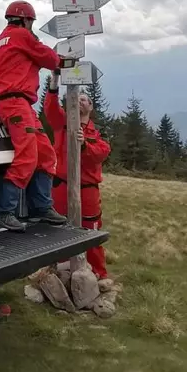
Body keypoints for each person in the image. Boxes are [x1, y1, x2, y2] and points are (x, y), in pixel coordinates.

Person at [0, 0, 68, 232]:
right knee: (27, 157)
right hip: (15, 103)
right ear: (25, 20)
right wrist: (63, 59)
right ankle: (3, 211)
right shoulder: (22, 36)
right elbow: (50, 59)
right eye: (31, 21)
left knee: (45, 154)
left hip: (18, 103)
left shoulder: (1, 40)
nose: (32, 25)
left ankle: (42, 207)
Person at [43, 69, 112, 279]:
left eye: (85, 99)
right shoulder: (62, 124)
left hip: (87, 191)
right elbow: (50, 108)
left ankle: (98, 275)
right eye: (77, 98)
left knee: (90, 233)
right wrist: (54, 82)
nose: (80, 101)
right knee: (59, 231)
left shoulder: (96, 134)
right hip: (60, 187)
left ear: (90, 107)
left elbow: (100, 153)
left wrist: (83, 144)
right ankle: (59, 272)